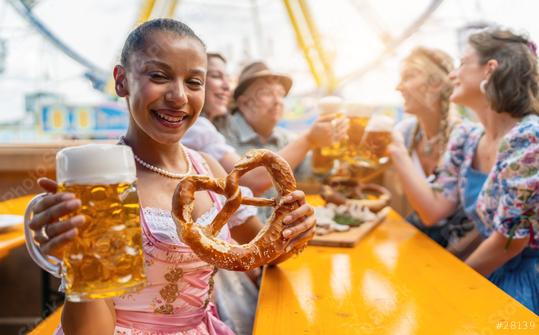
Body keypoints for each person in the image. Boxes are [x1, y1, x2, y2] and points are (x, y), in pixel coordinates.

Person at [27, 19, 316, 334]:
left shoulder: (210, 169)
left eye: (194, 82)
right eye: (159, 76)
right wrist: (79, 266)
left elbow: (262, 254)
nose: (179, 96)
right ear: (121, 81)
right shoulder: (103, 190)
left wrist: (294, 232)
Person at [389, 28, 539, 313]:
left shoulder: (530, 138)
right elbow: (435, 208)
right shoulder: (467, 139)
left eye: (461, 64)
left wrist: (451, 284)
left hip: (517, 285)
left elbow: (507, 243)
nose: (451, 75)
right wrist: (394, 148)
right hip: (482, 270)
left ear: (489, 70)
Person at [182, 55, 346, 196]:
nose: (277, 101)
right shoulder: (218, 131)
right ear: (243, 103)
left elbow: (315, 180)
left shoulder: (286, 138)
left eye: (280, 94)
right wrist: (310, 139)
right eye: (267, 93)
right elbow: (251, 181)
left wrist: (326, 145)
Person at [387, 47, 481, 256]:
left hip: (459, 256)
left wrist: (397, 151)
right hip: (421, 246)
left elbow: (433, 215)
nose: (398, 87)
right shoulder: (406, 131)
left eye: (409, 77)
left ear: (437, 83)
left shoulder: (466, 135)